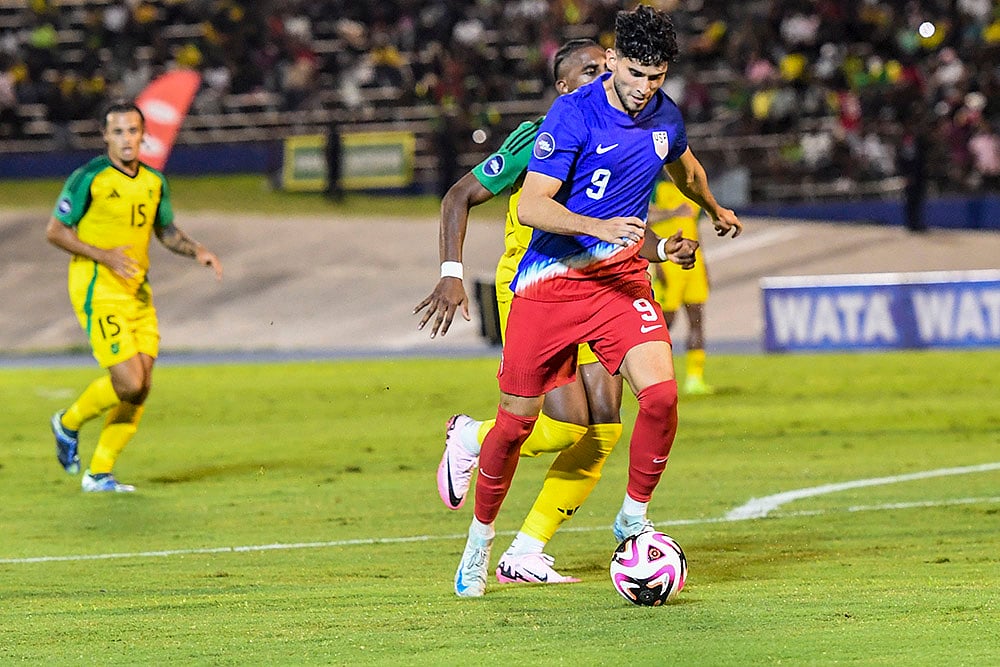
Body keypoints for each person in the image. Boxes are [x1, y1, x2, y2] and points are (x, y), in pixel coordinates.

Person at [451, 5, 742, 598]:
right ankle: (479, 543)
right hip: (549, 285)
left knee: (660, 396)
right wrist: (599, 226)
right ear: (612, 61)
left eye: (656, 77)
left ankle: (632, 517)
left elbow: (686, 170)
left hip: (619, 284)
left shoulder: (664, 115)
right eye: (635, 73)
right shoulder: (573, 114)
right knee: (516, 425)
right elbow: (532, 205)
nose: (645, 87)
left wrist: (712, 209)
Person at [46, 99, 223, 493]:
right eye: (118, 132)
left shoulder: (154, 182)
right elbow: (55, 231)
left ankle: (99, 474)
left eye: (133, 131)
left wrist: (198, 251)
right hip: (98, 288)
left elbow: (166, 231)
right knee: (128, 383)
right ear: (105, 136)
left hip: (138, 292)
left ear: (143, 135)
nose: (126, 139)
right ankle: (68, 423)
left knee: (142, 386)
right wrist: (103, 255)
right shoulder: (89, 177)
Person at [647, 175, 713, 395]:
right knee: (665, 322)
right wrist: (657, 265)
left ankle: (695, 379)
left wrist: (704, 267)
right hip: (668, 262)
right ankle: (654, 375)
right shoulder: (656, 188)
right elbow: (644, 218)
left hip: (694, 263)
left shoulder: (693, 190)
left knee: (697, 317)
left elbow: (694, 230)